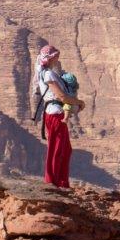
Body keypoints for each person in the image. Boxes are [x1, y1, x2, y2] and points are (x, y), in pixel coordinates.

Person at [34, 45, 86, 188]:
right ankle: (53, 181)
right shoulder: (48, 74)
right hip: (55, 113)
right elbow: (62, 96)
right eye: (56, 55)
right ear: (52, 57)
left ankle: (62, 182)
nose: (58, 58)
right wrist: (79, 102)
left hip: (55, 113)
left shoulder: (46, 72)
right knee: (57, 148)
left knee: (65, 149)